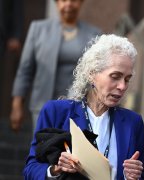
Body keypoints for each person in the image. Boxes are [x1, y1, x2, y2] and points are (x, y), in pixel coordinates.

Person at [24, 34, 144, 180]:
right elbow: (30, 170)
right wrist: (55, 170)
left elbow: (140, 175)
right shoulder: (56, 112)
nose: (122, 86)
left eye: (127, 79)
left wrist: (132, 177)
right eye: (115, 76)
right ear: (92, 74)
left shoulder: (133, 122)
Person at [10, 0, 102, 132]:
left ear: (81, 3)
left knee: (71, 151)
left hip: (79, 108)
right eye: (63, 0)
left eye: (74, 0)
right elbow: (25, 70)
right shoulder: (38, 29)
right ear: (56, 3)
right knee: (44, 149)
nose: (68, 5)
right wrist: (17, 104)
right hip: (42, 105)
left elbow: (97, 74)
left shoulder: (94, 34)